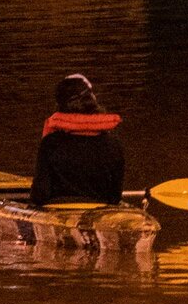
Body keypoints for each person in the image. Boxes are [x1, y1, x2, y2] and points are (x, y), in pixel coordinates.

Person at [31, 73, 126, 207]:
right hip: (100, 213)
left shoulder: (50, 143)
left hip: (58, 212)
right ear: (93, 103)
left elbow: (39, 195)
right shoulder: (114, 145)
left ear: (60, 107)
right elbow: (115, 197)